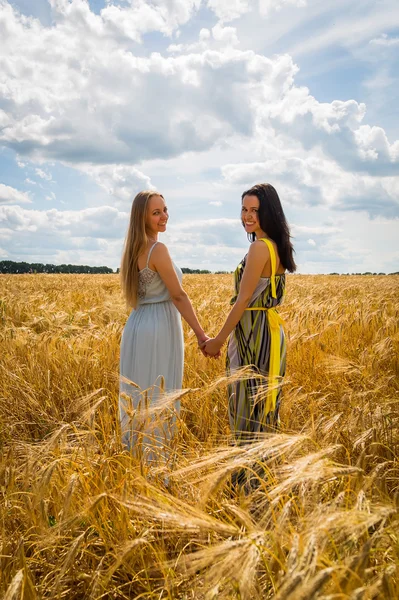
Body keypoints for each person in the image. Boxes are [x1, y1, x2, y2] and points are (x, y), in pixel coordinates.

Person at [201, 183, 296, 442]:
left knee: (244, 404)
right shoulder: (276, 246)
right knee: (265, 406)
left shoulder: (259, 247)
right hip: (270, 332)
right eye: (244, 209)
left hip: (252, 332)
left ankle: (246, 478)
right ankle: (262, 474)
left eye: (255, 210)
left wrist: (218, 341)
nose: (247, 216)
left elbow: (243, 300)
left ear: (269, 213)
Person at [119, 190, 208, 463]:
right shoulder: (157, 249)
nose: (164, 216)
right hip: (159, 326)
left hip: (137, 325)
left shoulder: (132, 250)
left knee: (138, 396)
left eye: (165, 209)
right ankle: (157, 465)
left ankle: (134, 460)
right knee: (159, 395)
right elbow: (178, 295)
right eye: (156, 212)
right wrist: (201, 335)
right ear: (142, 217)